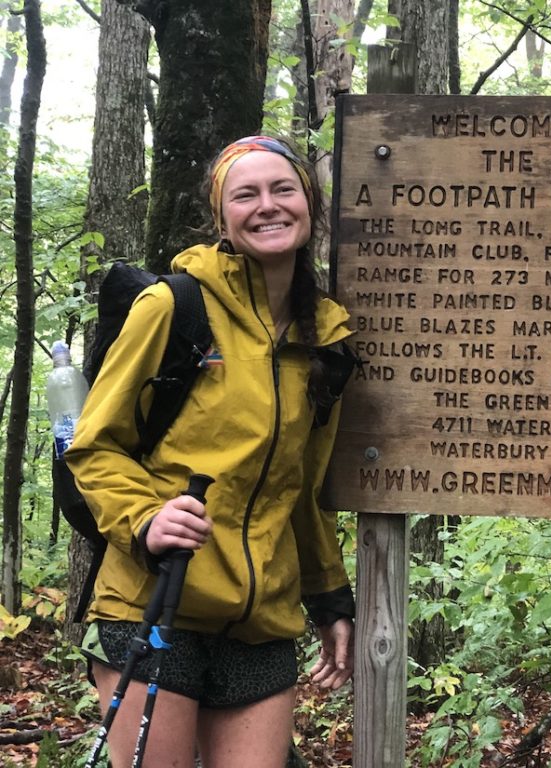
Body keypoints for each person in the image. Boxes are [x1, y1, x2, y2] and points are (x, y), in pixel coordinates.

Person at [66, 135, 356, 768]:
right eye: (244, 194)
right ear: (221, 216)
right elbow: (93, 447)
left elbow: (303, 494)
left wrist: (330, 599)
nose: (267, 206)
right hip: (152, 602)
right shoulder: (173, 307)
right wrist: (147, 519)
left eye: (283, 189)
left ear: (310, 204)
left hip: (263, 622)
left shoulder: (324, 338)